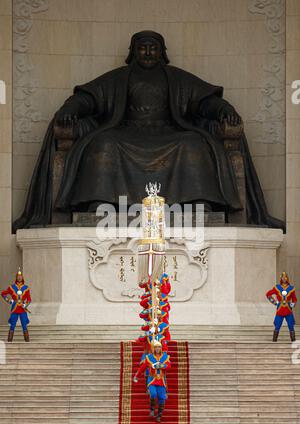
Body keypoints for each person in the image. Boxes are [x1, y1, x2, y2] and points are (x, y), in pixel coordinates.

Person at [13, 30, 284, 232]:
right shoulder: (119, 77)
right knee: (104, 144)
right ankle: (102, 202)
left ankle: (196, 203)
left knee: (193, 145)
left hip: (169, 133)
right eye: (142, 48)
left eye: (153, 48)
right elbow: (88, 98)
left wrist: (223, 109)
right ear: (133, 52)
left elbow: (205, 101)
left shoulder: (176, 77)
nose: (148, 53)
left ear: (162, 51)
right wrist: (69, 109)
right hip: (126, 133)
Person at [133, 341, 171, 422]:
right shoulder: (149, 357)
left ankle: (159, 415)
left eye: (159, 347)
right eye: (156, 347)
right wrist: (137, 375)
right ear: (153, 348)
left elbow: (169, 366)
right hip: (152, 379)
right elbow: (142, 368)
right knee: (153, 393)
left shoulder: (165, 356)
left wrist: (162, 365)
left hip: (161, 380)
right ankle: (152, 409)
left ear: (161, 348)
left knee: (161, 398)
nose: (157, 349)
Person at [1, 268, 31, 342]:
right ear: (16, 277)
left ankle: (27, 342)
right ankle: (9, 342)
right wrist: (9, 300)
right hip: (14, 308)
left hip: (22, 309)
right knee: (12, 325)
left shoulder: (26, 288)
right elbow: (3, 293)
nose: (19, 277)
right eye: (18, 276)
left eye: (21, 276)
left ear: (22, 277)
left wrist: (26, 305)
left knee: (24, 325)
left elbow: (29, 299)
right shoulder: (12, 287)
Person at [266, 271, 297, 342]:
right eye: (283, 277)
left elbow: (294, 299)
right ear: (281, 278)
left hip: (288, 310)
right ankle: (274, 341)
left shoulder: (291, 288)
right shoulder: (277, 287)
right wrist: (275, 302)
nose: (284, 278)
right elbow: (268, 294)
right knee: (277, 326)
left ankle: (293, 341)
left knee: (291, 326)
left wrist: (292, 304)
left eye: (285, 277)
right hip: (280, 309)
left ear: (287, 278)